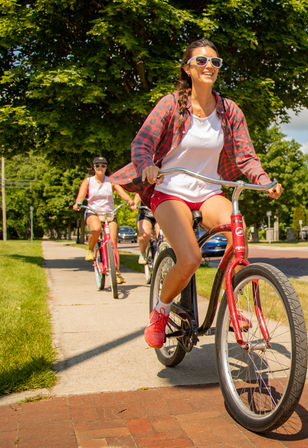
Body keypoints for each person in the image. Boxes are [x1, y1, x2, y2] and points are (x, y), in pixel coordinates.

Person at [111, 39, 282, 349]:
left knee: (237, 237)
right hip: (169, 191)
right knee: (190, 258)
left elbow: (246, 156)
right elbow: (142, 143)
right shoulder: (171, 104)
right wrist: (147, 165)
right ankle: (160, 312)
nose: (209, 67)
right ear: (187, 67)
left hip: (208, 190)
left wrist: (264, 179)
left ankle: (232, 305)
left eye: (215, 63)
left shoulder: (229, 111)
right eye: (201, 61)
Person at [74, 156, 135, 284]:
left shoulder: (111, 181)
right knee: (95, 229)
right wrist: (78, 203)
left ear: (106, 168)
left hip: (109, 213)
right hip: (93, 212)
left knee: (113, 243)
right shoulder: (88, 181)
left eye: (103, 165)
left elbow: (121, 192)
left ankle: (116, 272)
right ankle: (90, 250)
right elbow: (81, 195)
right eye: (97, 165)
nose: (100, 168)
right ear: (93, 167)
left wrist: (129, 200)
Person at [133, 194, 160, 265]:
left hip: (159, 211)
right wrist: (135, 203)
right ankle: (142, 253)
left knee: (160, 234)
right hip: (145, 212)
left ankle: (160, 256)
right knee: (145, 235)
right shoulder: (145, 183)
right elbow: (138, 194)